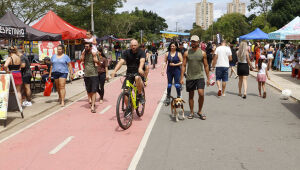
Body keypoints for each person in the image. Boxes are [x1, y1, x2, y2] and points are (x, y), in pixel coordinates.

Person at [180, 35, 210, 120]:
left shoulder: (203, 53)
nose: (192, 43)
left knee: (201, 93)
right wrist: (181, 78)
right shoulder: (186, 53)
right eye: (192, 41)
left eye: (194, 41)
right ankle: (191, 112)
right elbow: (184, 65)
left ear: (198, 42)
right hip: (190, 77)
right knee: (191, 95)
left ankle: (199, 111)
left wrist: (208, 78)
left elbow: (206, 66)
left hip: (200, 76)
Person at [111, 39, 145, 104]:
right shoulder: (126, 52)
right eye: (132, 45)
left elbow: (142, 61)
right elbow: (121, 61)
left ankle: (140, 95)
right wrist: (114, 71)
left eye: (135, 45)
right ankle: (129, 109)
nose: (133, 47)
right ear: (130, 46)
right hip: (129, 74)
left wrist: (140, 68)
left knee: (137, 78)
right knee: (125, 92)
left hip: (139, 73)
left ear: (137, 45)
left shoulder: (141, 52)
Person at [81, 42, 101, 112]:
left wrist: (95, 59)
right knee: (88, 90)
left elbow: (99, 63)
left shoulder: (95, 54)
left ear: (90, 47)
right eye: (85, 47)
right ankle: (91, 101)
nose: (86, 48)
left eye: (87, 47)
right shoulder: (84, 54)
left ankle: (92, 106)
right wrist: (83, 54)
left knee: (94, 91)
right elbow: (81, 60)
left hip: (94, 75)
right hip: (86, 75)